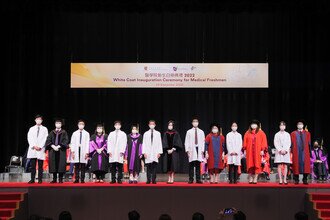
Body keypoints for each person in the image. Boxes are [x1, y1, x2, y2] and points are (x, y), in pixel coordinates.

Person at [243, 119, 268, 184]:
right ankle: (251, 177)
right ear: (250, 125)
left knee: (257, 164)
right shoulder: (247, 132)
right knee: (250, 164)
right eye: (252, 124)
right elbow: (245, 141)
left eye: (255, 124)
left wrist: (262, 150)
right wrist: (245, 149)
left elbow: (264, 141)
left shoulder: (261, 133)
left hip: (258, 151)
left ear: (257, 125)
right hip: (249, 151)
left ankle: (256, 178)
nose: (253, 125)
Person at [45, 118, 69, 183]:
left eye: (59, 123)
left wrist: (59, 146)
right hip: (53, 151)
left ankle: (60, 179)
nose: (58, 124)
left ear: (61, 124)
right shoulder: (52, 132)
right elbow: (48, 140)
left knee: (61, 164)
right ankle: (54, 179)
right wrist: (52, 146)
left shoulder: (64, 132)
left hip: (61, 150)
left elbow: (66, 140)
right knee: (53, 164)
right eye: (57, 123)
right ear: (55, 124)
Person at [27, 115, 48, 184]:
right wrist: (33, 146)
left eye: (40, 119)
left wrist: (40, 146)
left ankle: (40, 179)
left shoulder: (45, 129)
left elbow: (45, 138)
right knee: (32, 166)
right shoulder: (31, 128)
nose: (38, 120)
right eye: (37, 119)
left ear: (42, 120)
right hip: (33, 149)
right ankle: (32, 179)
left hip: (40, 149)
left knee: (40, 166)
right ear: (35, 120)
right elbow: (29, 138)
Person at [185, 118, 205, 184]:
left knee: (198, 165)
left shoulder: (201, 131)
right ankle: (191, 179)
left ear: (198, 123)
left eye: (196, 121)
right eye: (194, 122)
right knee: (191, 165)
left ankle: (198, 179)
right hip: (191, 150)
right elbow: (186, 141)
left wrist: (202, 150)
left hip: (199, 149)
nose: (195, 123)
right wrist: (187, 150)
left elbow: (203, 142)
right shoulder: (189, 131)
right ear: (192, 123)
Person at [291, 120, 311, 184]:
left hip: (305, 151)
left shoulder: (307, 133)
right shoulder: (293, 133)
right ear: (297, 126)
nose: (300, 125)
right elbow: (291, 143)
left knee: (305, 165)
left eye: (301, 124)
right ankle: (296, 179)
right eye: (298, 124)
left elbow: (309, 143)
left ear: (303, 125)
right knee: (296, 164)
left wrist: (309, 152)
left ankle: (305, 179)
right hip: (296, 151)